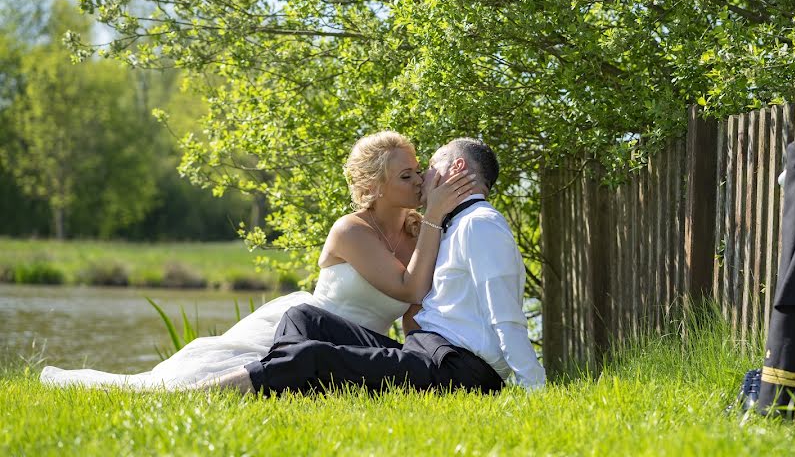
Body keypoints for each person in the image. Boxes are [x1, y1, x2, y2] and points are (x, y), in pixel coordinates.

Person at [40, 131, 476, 389]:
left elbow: (414, 315)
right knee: (183, 381)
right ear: (375, 185)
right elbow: (407, 288)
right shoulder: (352, 230)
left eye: (418, 170)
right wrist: (437, 215)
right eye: (406, 175)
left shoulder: (421, 233)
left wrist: (431, 364)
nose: (420, 180)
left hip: (357, 349)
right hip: (302, 326)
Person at [198, 138, 546, 394]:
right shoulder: (449, 225)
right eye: (411, 174)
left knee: (312, 357)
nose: (424, 177)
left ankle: (205, 395)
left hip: (458, 371)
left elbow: (506, 317)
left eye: (429, 167)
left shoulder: (480, 224)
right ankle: (285, 384)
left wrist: (535, 388)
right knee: (304, 318)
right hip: (430, 354)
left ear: (455, 170)